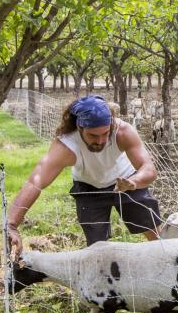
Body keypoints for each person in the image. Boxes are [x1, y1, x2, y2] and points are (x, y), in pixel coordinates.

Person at [8, 95, 161, 255]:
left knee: (152, 229)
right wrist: (11, 225)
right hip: (89, 187)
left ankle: (167, 260)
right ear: (79, 128)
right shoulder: (66, 145)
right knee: (96, 245)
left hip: (126, 180)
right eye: (93, 135)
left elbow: (149, 169)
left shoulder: (122, 132)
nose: (100, 140)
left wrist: (133, 182)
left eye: (105, 133)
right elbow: (35, 182)